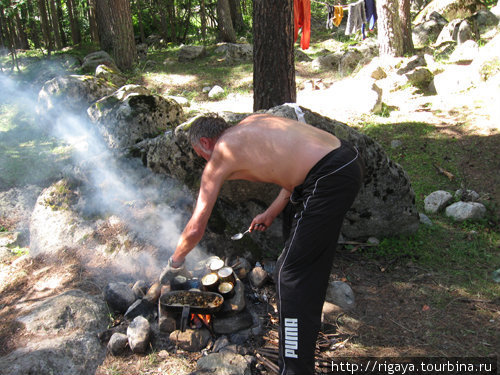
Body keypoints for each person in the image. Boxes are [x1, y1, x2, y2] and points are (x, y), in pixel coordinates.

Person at [160, 113, 364, 375]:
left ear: (206, 142)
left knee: (288, 275)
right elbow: (296, 167)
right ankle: (305, 333)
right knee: (301, 267)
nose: (205, 161)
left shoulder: (221, 153)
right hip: (343, 159)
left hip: (327, 176)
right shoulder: (252, 123)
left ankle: (294, 368)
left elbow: (195, 227)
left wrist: (174, 263)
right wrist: (270, 212)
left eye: (201, 155)